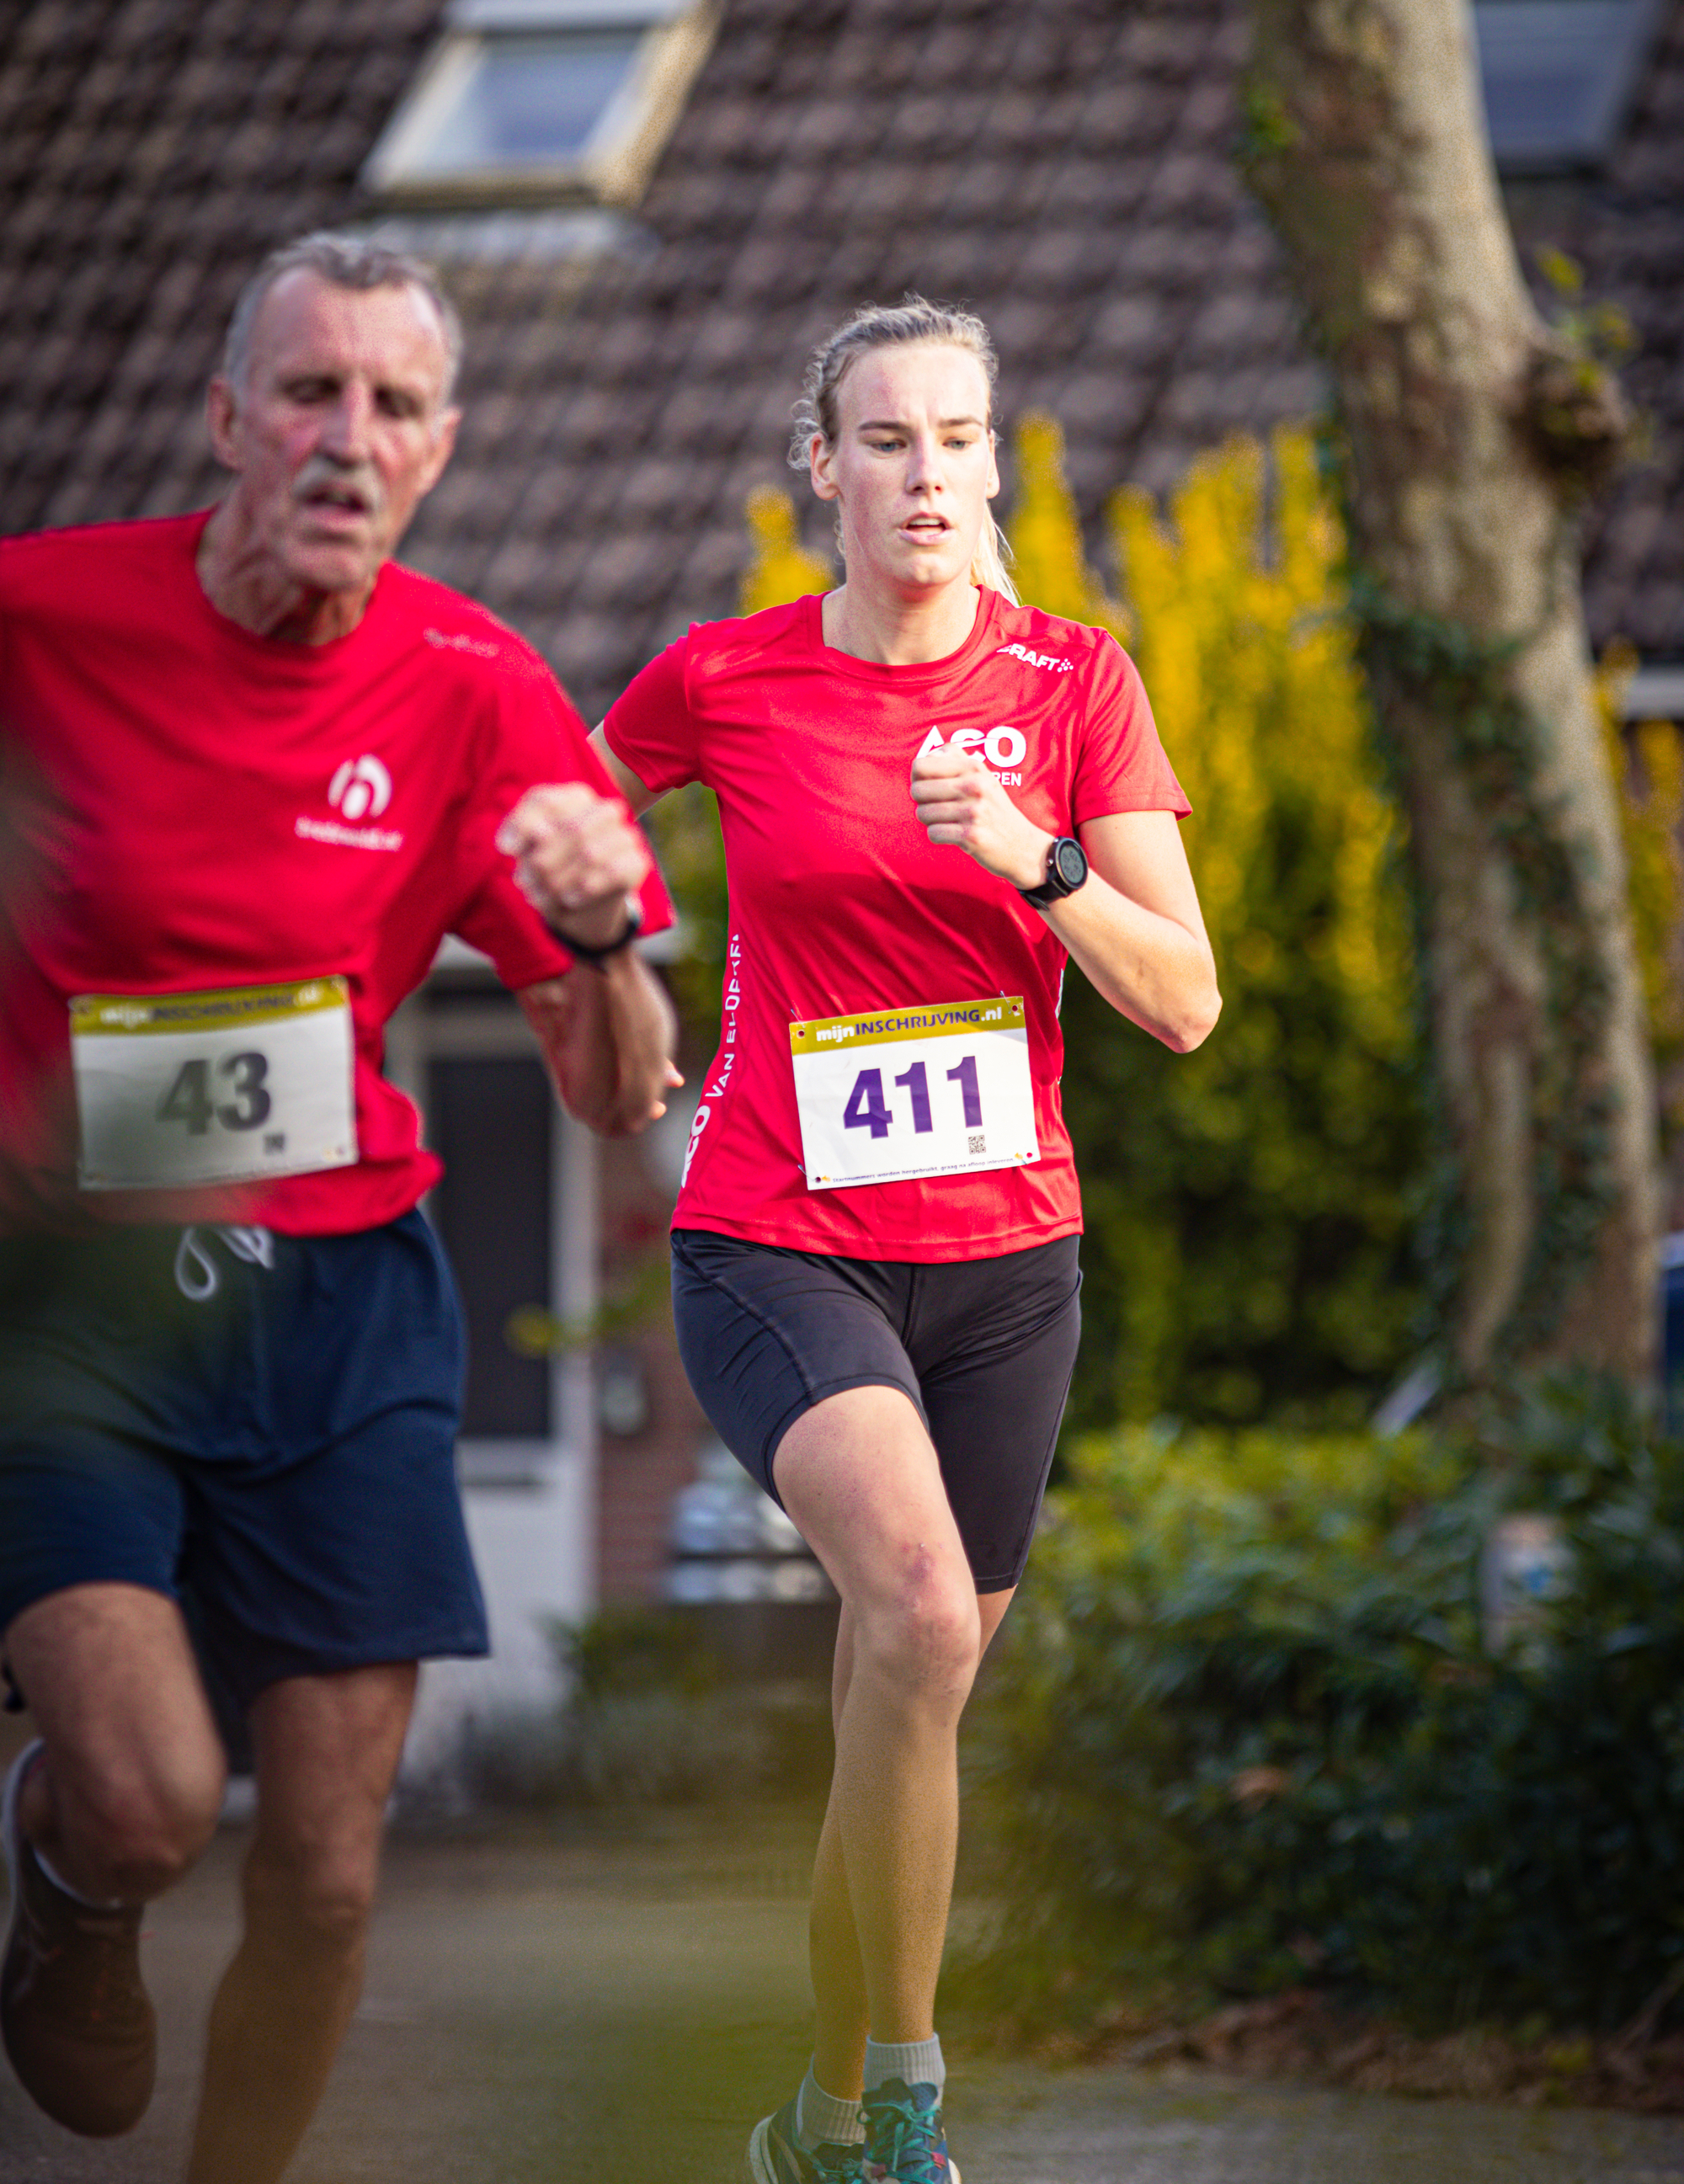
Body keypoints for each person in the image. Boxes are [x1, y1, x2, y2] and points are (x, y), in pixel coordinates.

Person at [0, 234, 679, 2181]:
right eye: (307, 391)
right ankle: (68, 1883)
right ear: (227, 419)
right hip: (73, 1302)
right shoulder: (45, 620)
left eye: (389, 406)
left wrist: (602, 936)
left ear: (439, 451)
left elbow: (616, 1085)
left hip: (340, 1304)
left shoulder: (479, 690)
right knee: (148, 1798)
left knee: (324, 1869)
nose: (343, 438)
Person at [591, 294, 1221, 2184]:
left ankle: (816, 2107)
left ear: (992, 465)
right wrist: (609, 963)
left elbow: (1184, 1000)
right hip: (781, 1234)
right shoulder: (727, 677)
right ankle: (907, 2118)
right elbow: (546, 817)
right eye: (886, 439)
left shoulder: (1074, 683)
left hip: (1008, 1261)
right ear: (823, 469)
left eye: (958, 438)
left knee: (907, 1690)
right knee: (922, 1617)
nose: (926, 473)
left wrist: (1033, 856)